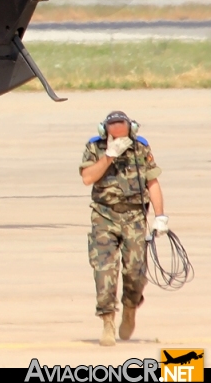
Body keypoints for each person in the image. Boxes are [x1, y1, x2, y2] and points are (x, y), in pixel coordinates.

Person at [79, 111, 168, 347]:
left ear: (131, 128)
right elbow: (88, 178)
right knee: (104, 271)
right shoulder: (94, 147)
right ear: (104, 129)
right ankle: (107, 322)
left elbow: (152, 182)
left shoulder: (141, 148)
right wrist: (108, 156)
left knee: (136, 272)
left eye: (122, 125)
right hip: (104, 215)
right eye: (112, 125)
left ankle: (130, 307)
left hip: (135, 216)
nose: (117, 130)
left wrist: (160, 217)